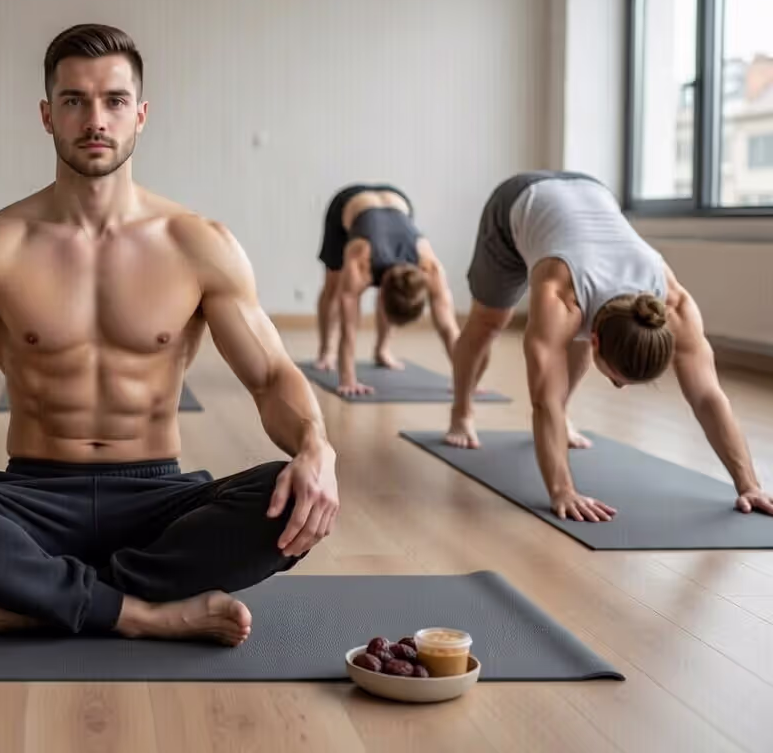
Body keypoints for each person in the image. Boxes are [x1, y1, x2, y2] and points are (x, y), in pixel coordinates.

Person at [0, 24, 339, 647]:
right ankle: (144, 612)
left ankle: (38, 600)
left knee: (288, 494)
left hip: (160, 501)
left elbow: (272, 378)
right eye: (74, 100)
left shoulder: (198, 244)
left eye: (113, 100)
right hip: (30, 499)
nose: (95, 119)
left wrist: (316, 448)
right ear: (47, 115)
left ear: (140, 114)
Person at [445, 170, 772, 521]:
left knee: (567, 357)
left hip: (591, 192)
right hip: (516, 204)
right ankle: (461, 411)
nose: (618, 387)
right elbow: (543, 400)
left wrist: (748, 484)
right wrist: (562, 490)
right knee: (490, 321)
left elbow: (709, 397)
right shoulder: (559, 296)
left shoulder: (675, 306)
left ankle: (564, 422)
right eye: (618, 379)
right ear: (596, 340)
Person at [314, 184, 460, 395]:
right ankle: (325, 351)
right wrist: (348, 379)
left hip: (398, 201)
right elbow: (349, 329)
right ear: (380, 294)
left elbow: (449, 328)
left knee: (400, 295)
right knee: (333, 285)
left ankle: (382, 350)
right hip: (348, 203)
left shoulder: (431, 267)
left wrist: (465, 379)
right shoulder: (360, 261)